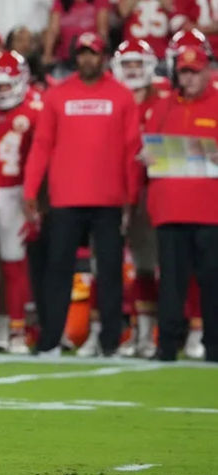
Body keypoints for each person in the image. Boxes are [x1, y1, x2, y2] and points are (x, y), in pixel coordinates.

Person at [23, 32, 141, 358]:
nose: (88, 59)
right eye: (83, 53)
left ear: (103, 57)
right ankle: (50, 340)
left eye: (94, 53)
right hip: (65, 200)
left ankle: (110, 342)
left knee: (110, 273)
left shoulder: (122, 96)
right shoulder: (57, 96)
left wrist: (132, 196)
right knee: (57, 271)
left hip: (109, 201)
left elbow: (132, 149)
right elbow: (42, 146)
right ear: (75, 56)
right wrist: (31, 189)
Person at [143, 44, 218, 363]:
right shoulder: (163, 107)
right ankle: (167, 345)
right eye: (184, 72)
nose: (188, 78)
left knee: (212, 281)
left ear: (207, 73)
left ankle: (214, 346)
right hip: (170, 209)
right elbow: (146, 146)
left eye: (194, 72)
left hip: (210, 210)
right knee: (171, 282)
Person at [110, 38, 169, 358]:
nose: (132, 71)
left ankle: (157, 331)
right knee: (115, 264)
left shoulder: (163, 99)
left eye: (137, 64)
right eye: (127, 64)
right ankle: (137, 329)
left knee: (154, 262)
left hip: (153, 189)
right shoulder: (111, 98)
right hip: (112, 189)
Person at [0, 50, 41, 354]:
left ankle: (17, 328)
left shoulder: (36, 108)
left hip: (17, 191)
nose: (2, 91)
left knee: (12, 261)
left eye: (8, 85)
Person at [43, 0, 110, 72]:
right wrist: (47, 55)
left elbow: (102, 31)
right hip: (65, 59)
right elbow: (53, 30)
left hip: (92, 59)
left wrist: (101, 59)